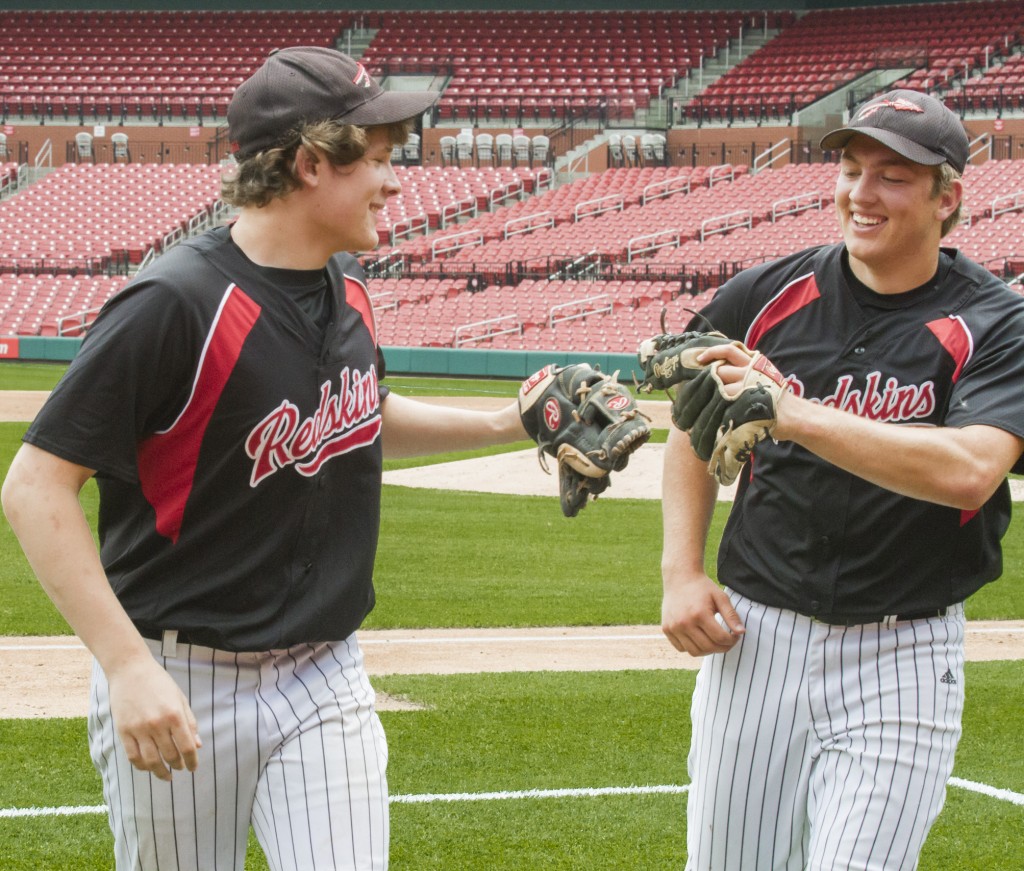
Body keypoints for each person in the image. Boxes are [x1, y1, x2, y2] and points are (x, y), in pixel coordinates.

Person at [1, 46, 537, 871]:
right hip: (181, 674)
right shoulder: (174, 302)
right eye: (380, 160)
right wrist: (126, 666)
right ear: (311, 162)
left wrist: (509, 420)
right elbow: (36, 486)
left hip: (325, 671)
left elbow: (361, 416)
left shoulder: (347, 285)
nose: (396, 182)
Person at [659, 89, 1024, 870]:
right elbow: (692, 426)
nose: (861, 194)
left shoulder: (996, 324)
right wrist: (681, 570)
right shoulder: (762, 295)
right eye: (852, 169)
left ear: (948, 196)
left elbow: (969, 471)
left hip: (905, 652)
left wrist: (792, 412)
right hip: (757, 640)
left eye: (893, 175)